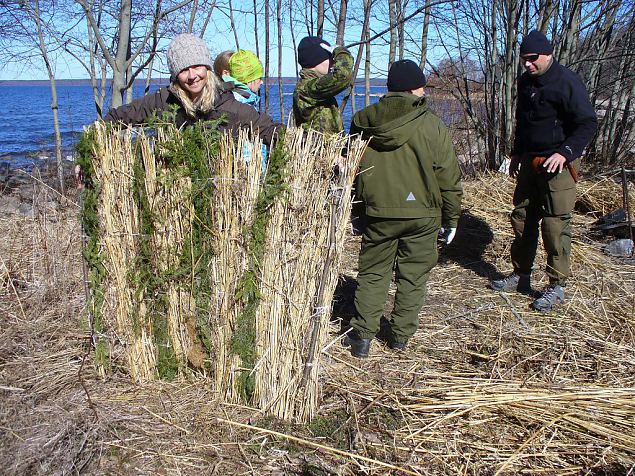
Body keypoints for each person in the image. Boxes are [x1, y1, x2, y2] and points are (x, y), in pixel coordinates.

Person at [344, 60, 463, 358]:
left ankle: (362, 339)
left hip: (378, 212)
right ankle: (399, 339)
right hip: (423, 215)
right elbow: (447, 176)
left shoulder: (363, 120)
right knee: (413, 276)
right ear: (414, 87)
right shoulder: (431, 124)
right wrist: (452, 218)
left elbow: (351, 166)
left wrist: (356, 210)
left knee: (373, 274)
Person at [489, 30, 597, 312]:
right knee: (522, 217)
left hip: (558, 165)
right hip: (530, 162)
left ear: (548, 55)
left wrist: (565, 153)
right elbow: (524, 123)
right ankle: (521, 274)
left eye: (532, 59)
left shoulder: (567, 82)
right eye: (524, 59)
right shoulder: (526, 82)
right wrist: (516, 153)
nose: (527, 64)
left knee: (554, 225)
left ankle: (556, 286)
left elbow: (587, 123)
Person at [104, 34, 279, 147]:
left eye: (197, 66)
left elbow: (268, 130)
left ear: (207, 69)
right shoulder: (163, 102)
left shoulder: (230, 106)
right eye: (183, 70)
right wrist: (90, 151)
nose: (192, 75)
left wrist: (300, 142)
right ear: (175, 74)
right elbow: (117, 118)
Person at [292, 36, 353, 135]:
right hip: (316, 148)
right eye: (329, 58)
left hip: (325, 148)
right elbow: (342, 76)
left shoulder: (312, 85)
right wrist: (341, 51)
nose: (333, 62)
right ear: (315, 61)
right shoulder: (306, 89)